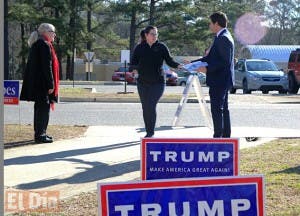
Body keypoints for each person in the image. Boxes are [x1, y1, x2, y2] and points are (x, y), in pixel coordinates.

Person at [131, 26, 182, 137]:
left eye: (156, 34)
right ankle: (148, 131)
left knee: (151, 105)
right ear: (146, 35)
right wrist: (134, 70)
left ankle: (150, 133)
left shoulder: (161, 47)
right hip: (142, 82)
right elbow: (133, 62)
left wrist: (178, 65)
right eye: (153, 34)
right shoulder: (140, 47)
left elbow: (169, 60)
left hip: (158, 82)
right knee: (145, 107)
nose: (155, 36)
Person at [191, 12, 234, 138]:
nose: (209, 25)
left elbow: (224, 62)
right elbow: (210, 58)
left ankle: (218, 138)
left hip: (220, 80)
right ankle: (225, 138)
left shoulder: (223, 38)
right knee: (223, 109)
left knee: (217, 110)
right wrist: (193, 63)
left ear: (216, 23)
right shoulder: (221, 36)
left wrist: (207, 70)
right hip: (222, 80)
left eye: (210, 23)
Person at [20, 23, 60, 143]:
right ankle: (40, 135)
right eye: (53, 32)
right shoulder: (43, 44)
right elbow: (46, 66)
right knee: (43, 109)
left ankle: (40, 133)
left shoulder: (39, 44)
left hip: (38, 83)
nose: (54, 35)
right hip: (42, 84)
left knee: (40, 108)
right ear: (45, 32)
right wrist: (50, 84)